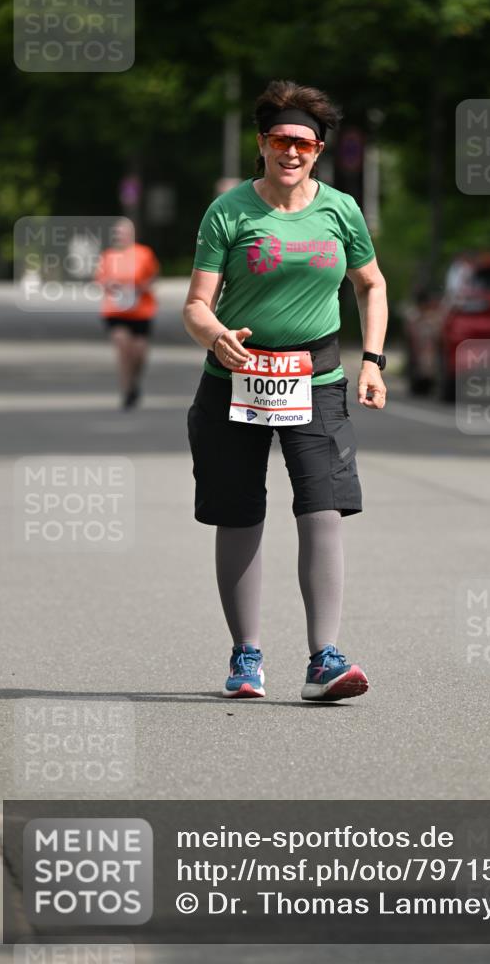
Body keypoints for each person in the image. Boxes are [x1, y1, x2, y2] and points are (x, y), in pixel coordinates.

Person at [184, 79, 388, 702]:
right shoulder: (230, 211)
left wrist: (373, 360)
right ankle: (246, 658)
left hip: (317, 376)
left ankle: (324, 659)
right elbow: (195, 304)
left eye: (303, 142)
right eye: (280, 140)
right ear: (263, 144)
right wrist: (216, 334)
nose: (291, 152)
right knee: (239, 512)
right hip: (236, 378)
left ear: (319, 150)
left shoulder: (341, 210)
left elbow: (371, 285)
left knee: (322, 506)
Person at [96, 218, 160, 409]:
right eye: (118, 233)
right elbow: (100, 279)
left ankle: (134, 382)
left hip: (141, 311)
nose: (121, 236)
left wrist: (142, 287)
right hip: (115, 311)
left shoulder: (144, 253)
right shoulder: (108, 256)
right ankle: (127, 390)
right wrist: (111, 285)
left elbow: (154, 274)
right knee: (123, 347)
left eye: (125, 232)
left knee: (139, 353)